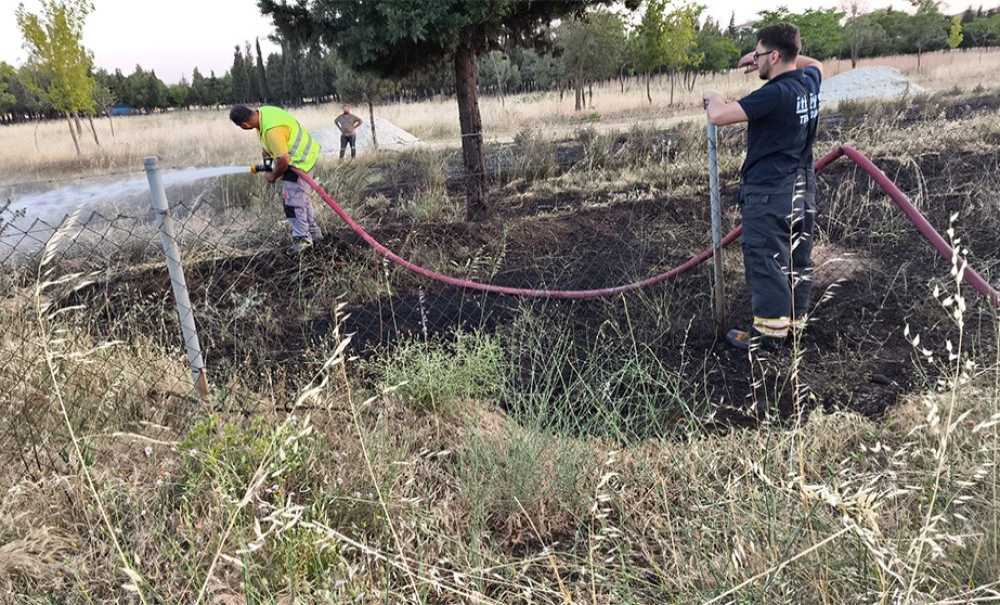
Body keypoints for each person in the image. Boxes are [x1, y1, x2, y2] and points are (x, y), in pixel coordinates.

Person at [703, 23, 823, 352]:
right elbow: (815, 64)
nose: (755, 62)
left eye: (759, 55)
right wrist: (764, 56)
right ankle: (794, 328)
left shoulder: (773, 94)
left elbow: (719, 116)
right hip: (802, 186)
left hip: (770, 192)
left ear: (774, 55)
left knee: (767, 260)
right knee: (797, 259)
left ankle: (768, 337)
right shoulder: (809, 82)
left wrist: (713, 96)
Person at [230, 104, 323, 254]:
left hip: (299, 162)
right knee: (301, 200)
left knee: (292, 203)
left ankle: (303, 240)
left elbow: (284, 160)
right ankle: (314, 233)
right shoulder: (263, 114)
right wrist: (267, 165)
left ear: (244, 125)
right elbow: (267, 148)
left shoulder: (271, 130)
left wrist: (273, 175)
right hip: (305, 156)